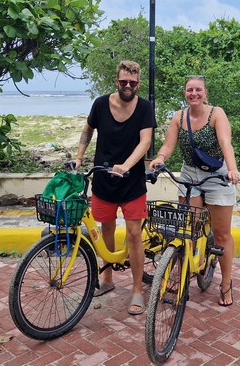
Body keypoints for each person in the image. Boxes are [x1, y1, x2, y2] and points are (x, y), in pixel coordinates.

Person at [149, 75, 240, 307]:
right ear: (185, 93)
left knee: (222, 234)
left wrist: (232, 169)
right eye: (190, 90)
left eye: (198, 89)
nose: (194, 93)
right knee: (187, 230)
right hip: (189, 173)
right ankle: (183, 276)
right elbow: (169, 145)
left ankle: (226, 283)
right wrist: (160, 158)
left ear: (205, 92)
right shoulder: (179, 117)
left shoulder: (216, 114)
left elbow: (225, 142)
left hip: (217, 174)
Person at [74, 60, 157, 315]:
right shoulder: (100, 104)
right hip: (103, 179)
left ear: (138, 83)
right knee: (105, 230)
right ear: (116, 81)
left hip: (131, 181)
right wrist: (78, 158)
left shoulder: (144, 108)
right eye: (124, 82)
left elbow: (145, 143)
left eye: (132, 82)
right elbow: (87, 131)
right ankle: (107, 280)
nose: (128, 86)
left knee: (133, 234)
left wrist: (127, 165)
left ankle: (135, 290)